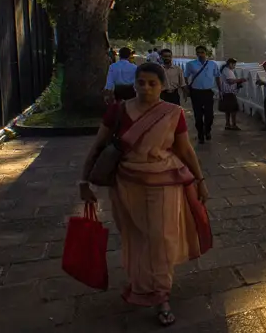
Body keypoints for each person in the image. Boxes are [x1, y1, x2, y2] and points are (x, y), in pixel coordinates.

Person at [78, 62, 210, 327]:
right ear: (134, 83)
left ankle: (161, 295)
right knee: (136, 236)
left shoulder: (173, 113)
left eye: (153, 84)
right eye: (141, 82)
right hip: (126, 183)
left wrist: (200, 180)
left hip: (165, 182)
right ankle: (141, 284)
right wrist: (84, 181)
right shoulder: (118, 110)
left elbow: (185, 150)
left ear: (163, 86)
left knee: (161, 237)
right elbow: (98, 145)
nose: (146, 88)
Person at [184, 46, 221, 144]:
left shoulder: (212, 64)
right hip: (196, 92)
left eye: (202, 52)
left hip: (208, 92)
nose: (200, 54)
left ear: (206, 53)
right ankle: (200, 133)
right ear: (196, 54)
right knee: (198, 115)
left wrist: (220, 90)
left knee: (209, 115)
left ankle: (207, 130)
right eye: (198, 53)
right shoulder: (191, 64)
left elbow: (217, 77)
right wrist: (187, 88)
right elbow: (186, 76)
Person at [219, 59, 246, 130]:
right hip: (229, 93)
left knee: (227, 110)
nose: (235, 66)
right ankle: (233, 125)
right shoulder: (227, 71)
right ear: (230, 64)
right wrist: (240, 80)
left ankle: (228, 124)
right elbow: (230, 81)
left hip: (226, 93)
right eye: (234, 64)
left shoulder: (226, 70)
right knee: (234, 109)